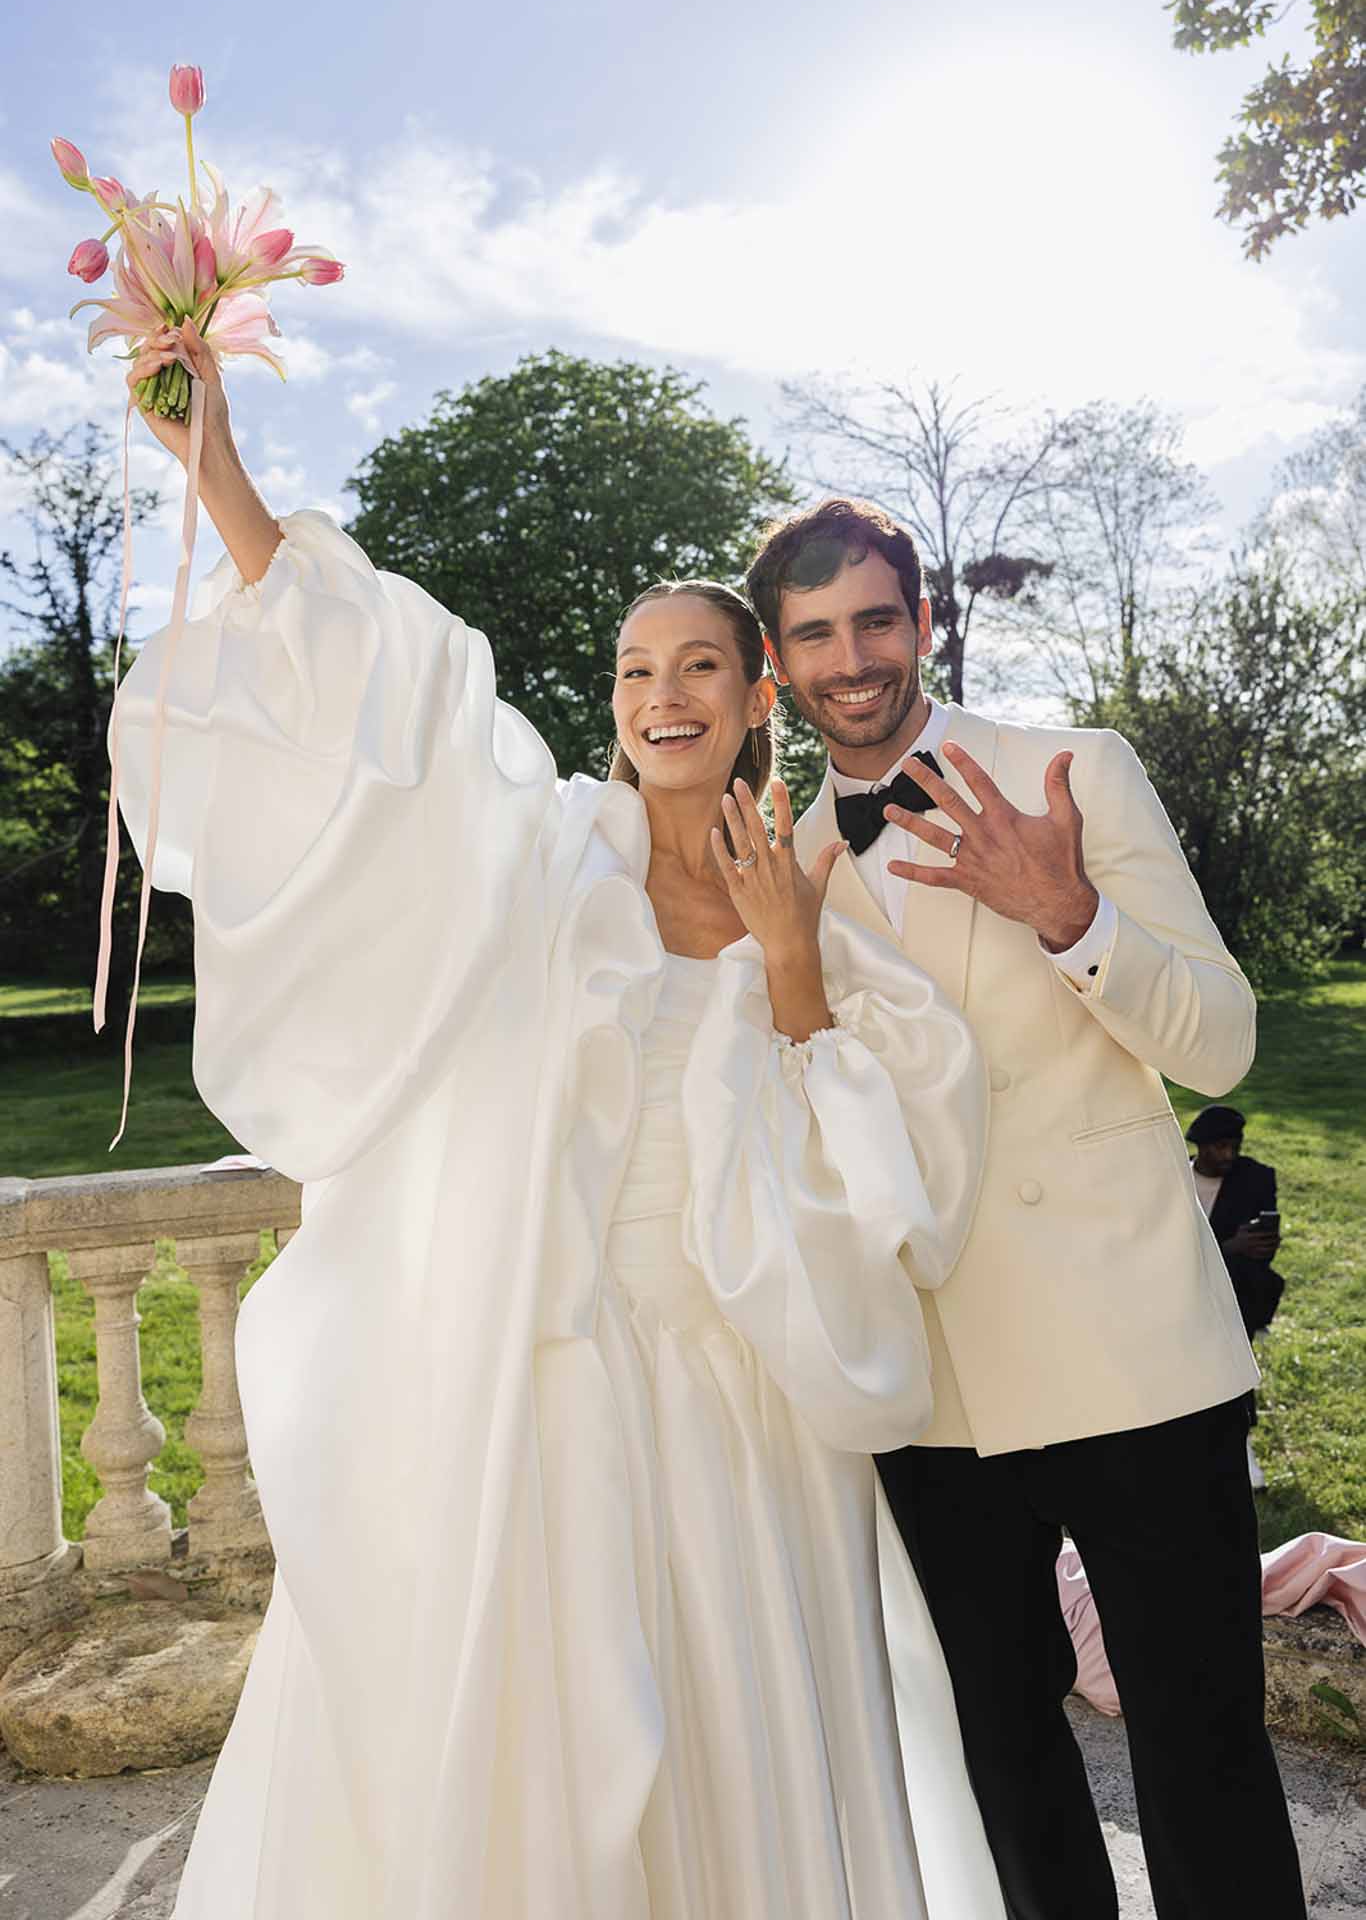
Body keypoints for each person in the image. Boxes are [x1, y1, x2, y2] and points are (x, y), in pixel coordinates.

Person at [115, 322, 1007, 1920]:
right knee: (566, 1765)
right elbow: (389, 730)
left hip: (751, 1405)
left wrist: (791, 972)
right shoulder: (543, 863)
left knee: (750, 1747)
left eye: (700, 666)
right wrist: (218, 469)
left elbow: (897, 1175)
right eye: (632, 668)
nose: (660, 693)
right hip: (562, 1387)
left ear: (756, 702)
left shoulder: (819, 899)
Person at [754, 496, 1306, 1920]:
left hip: (1130, 1347)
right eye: (813, 634)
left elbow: (1223, 1047)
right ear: (777, 663)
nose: (852, 657)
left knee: (1199, 1749)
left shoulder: (1074, 768)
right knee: (1004, 1756)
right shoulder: (784, 866)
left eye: (876, 619)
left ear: (923, 624)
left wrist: (1072, 919)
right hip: (929, 1382)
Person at [1187, 1102, 1284, 1488]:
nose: (1228, 1155)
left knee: (1234, 1376)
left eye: (1234, 1145)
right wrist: (1230, 1246)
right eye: (1219, 1147)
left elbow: (1261, 1253)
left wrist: (1257, 1245)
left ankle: (1241, 1450)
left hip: (1235, 1296)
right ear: (1200, 1146)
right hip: (1176, 1292)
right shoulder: (1174, 1178)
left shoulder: (1255, 1178)